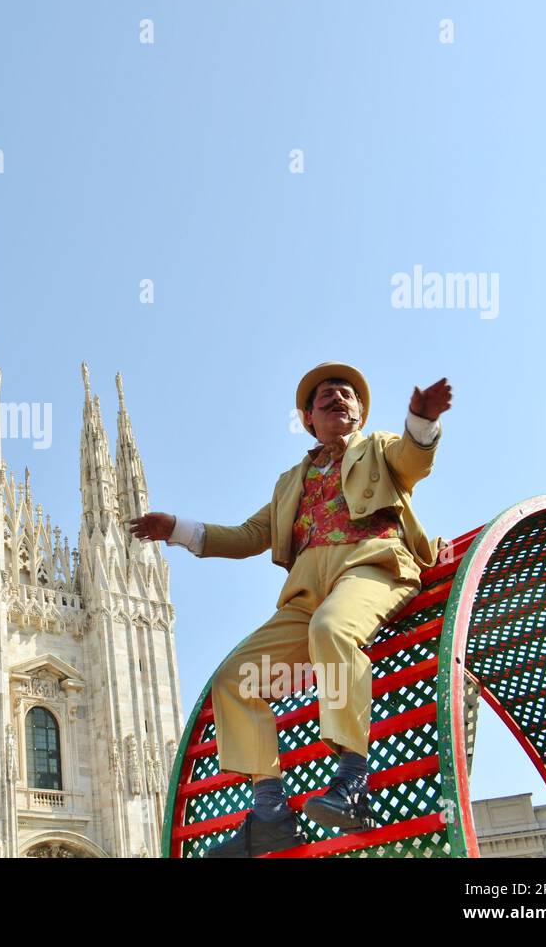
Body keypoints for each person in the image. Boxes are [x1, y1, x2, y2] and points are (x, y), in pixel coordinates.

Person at [129, 362, 452, 857]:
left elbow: (413, 461)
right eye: (324, 396)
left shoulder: (379, 449)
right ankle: (270, 812)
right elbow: (248, 537)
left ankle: (351, 779)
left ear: (360, 411)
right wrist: (176, 528)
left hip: (372, 567)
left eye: (346, 394)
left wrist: (421, 422)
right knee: (235, 677)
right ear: (307, 418)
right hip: (307, 592)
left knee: (333, 630)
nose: (337, 398)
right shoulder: (289, 483)